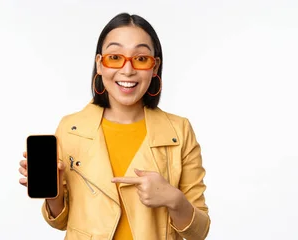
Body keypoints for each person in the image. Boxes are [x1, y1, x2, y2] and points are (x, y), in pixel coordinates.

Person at [19, 12, 210, 240]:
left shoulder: (179, 131)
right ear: (99, 64)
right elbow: (61, 221)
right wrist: (53, 194)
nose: (127, 70)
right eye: (115, 57)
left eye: (140, 59)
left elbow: (199, 232)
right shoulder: (71, 128)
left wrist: (173, 199)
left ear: (154, 67)